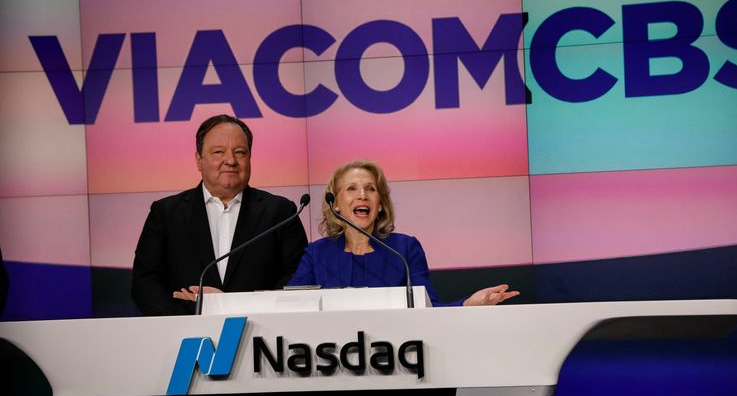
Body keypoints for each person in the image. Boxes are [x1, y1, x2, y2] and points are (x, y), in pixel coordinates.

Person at [131, 114, 308, 315]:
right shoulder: (166, 213)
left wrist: (235, 306)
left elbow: (296, 281)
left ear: (250, 157)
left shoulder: (281, 212)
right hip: (184, 336)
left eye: (240, 152)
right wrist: (185, 321)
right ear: (199, 160)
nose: (230, 160)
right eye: (218, 152)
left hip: (261, 335)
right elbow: (145, 284)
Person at [288, 159, 519, 306]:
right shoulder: (316, 254)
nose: (362, 195)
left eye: (371, 189)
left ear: (380, 204)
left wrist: (468, 304)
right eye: (351, 189)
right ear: (335, 203)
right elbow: (291, 307)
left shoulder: (404, 249)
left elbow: (428, 309)